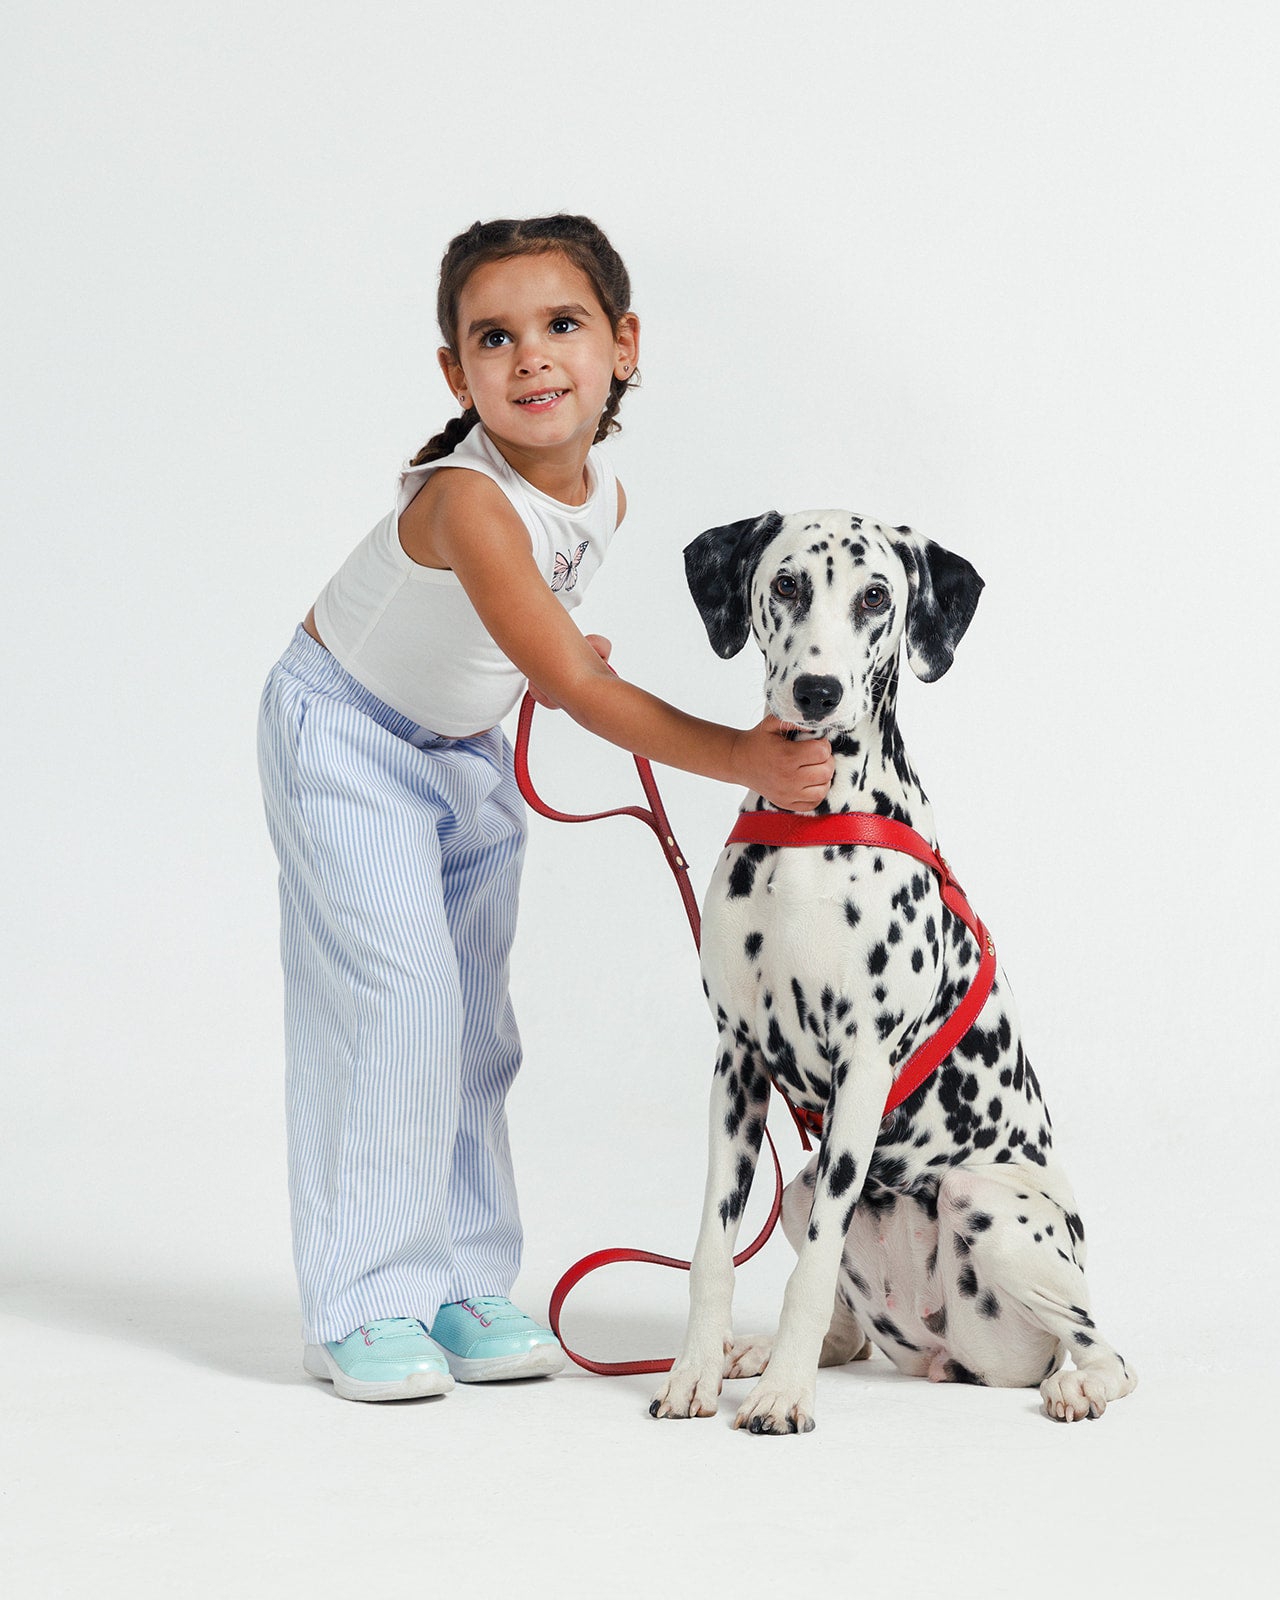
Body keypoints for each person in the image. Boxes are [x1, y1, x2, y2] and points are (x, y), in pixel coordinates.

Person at [257, 214, 834, 1403]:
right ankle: (363, 1298)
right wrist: (738, 755)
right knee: (400, 1004)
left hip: (457, 745)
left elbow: (532, 642)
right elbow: (574, 683)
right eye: (494, 336)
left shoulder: (601, 497)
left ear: (623, 345)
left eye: (560, 325)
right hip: (349, 740)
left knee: (471, 1022)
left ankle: (464, 1283)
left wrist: (542, 654)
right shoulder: (469, 499)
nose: (529, 357)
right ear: (454, 372)